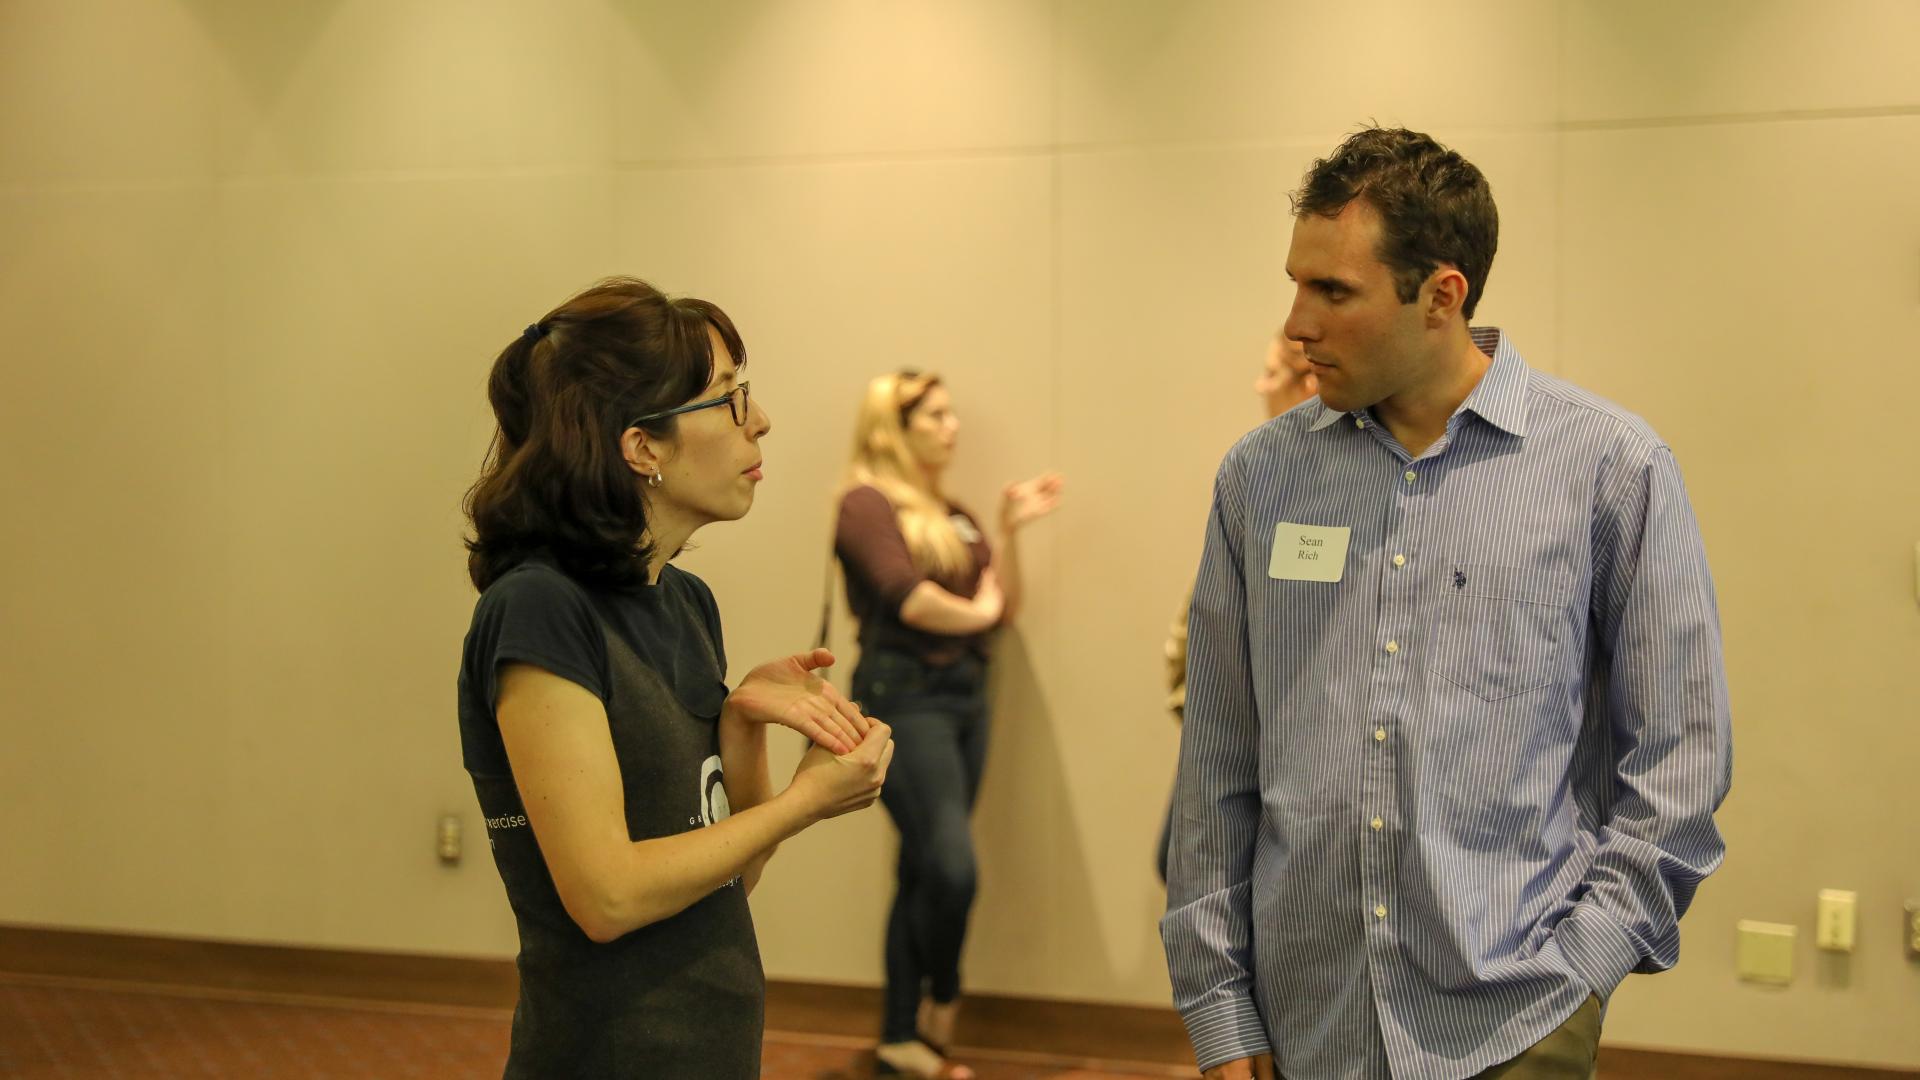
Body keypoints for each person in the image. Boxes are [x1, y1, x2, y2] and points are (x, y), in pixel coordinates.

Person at [1161, 128, 1733, 1080]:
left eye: (1332, 291)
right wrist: (1222, 1010)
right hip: (1304, 1027)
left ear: (1443, 294)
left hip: (1517, 1022)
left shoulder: (1608, 468)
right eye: (1296, 282)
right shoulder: (1261, 480)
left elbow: (1682, 757)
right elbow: (1218, 761)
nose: (1296, 322)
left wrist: (1581, 976)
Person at [457, 277, 894, 1078]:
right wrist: (804, 804)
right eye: (729, 398)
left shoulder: (684, 602)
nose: (759, 421)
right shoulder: (540, 610)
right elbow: (608, 897)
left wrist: (741, 728)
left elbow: (727, 879)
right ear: (641, 447)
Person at [832, 371, 1062, 1080]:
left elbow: (1004, 605)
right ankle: (942, 1000)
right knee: (953, 867)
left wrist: (1008, 535)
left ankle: (901, 1037)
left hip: (966, 697)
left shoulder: (954, 515)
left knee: (923, 868)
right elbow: (911, 601)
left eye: (950, 413)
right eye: (933, 415)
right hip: (904, 700)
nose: (951, 426)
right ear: (890, 430)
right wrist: (981, 612)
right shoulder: (865, 504)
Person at [1159, 331, 1319, 881]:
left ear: (1310, 383)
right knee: (1182, 863)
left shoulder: (1322, 487)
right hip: (1227, 724)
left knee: (1202, 866)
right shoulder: (1258, 470)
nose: (1259, 385)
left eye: (1272, 373)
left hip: (1280, 740)